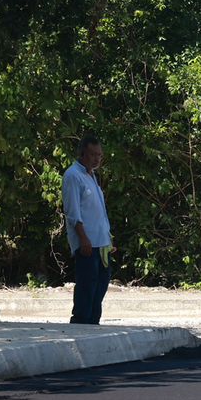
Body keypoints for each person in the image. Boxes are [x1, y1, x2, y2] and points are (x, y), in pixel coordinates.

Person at [61, 134, 114, 324]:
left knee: (101, 283)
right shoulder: (73, 176)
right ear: (82, 153)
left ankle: (93, 321)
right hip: (87, 241)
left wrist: (108, 237)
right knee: (87, 283)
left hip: (102, 242)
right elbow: (73, 212)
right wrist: (83, 239)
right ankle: (81, 320)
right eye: (93, 155)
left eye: (99, 155)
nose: (96, 159)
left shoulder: (93, 176)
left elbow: (98, 211)